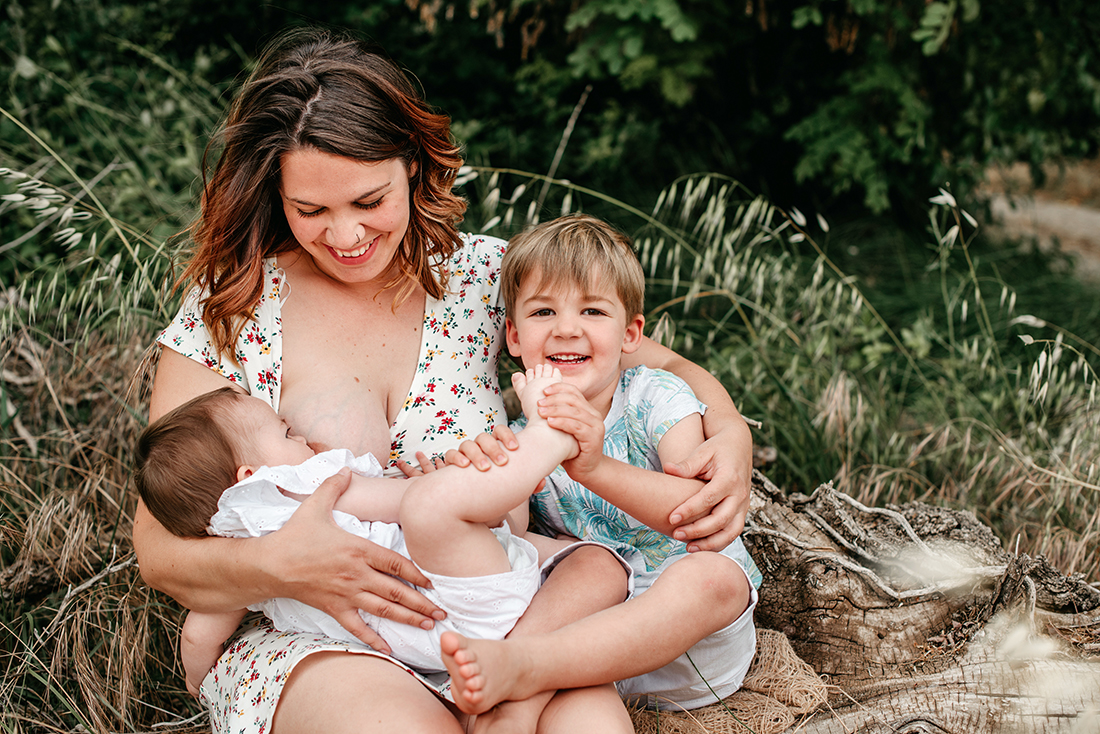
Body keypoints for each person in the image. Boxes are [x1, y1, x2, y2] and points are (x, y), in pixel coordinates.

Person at [135, 25, 756, 734]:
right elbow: (159, 550)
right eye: (311, 211)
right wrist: (284, 564)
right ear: (276, 195)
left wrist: (729, 429)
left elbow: (655, 360)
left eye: (369, 201)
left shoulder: (481, 279)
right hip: (329, 637)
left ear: (413, 166)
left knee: (589, 725)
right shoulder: (234, 304)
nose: (345, 235)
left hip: (501, 610)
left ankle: (507, 687)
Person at [438, 213, 761, 716]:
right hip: (586, 648)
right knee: (557, 571)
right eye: (543, 312)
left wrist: (593, 467)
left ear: (631, 333)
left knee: (712, 578)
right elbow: (512, 529)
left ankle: (526, 670)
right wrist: (478, 479)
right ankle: (517, 698)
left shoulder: (656, 398)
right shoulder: (523, 435)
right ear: (515, 338)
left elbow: (692, 510)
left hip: (687, 644)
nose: (567, 329)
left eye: (592, 311)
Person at [134, 369, 627, 697]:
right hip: (463, 596)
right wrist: (444, 484)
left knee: (443, 509)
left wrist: (199, 689)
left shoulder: (231, 555)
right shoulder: (304, 486)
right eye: (285, 434)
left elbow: (199, 637)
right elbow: (401, 503)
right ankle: (548, 435)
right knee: (432, 504)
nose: (302, 437)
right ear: (250, 477)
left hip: (427, 650)